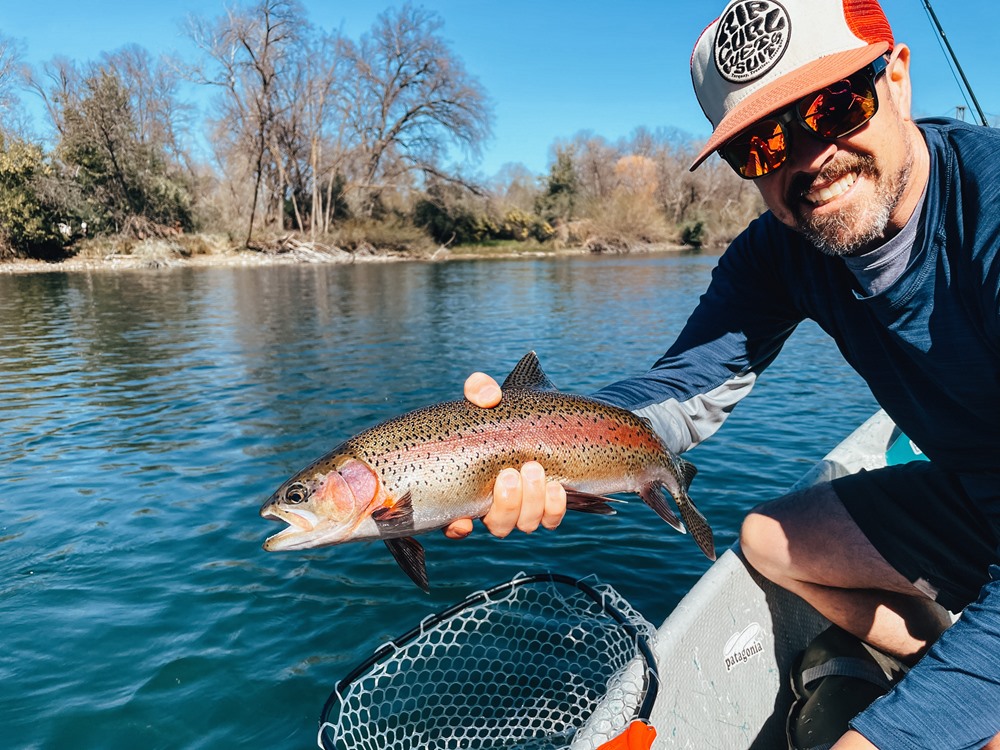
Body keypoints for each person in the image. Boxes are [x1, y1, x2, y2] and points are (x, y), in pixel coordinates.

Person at [444, 0, 1000, 747]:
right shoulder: (781, 250)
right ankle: (955, 669)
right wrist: (536, 436)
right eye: (764, 143)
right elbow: (682, 389)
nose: (808, 157)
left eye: (837, 105)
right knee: (770, 538)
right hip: (976, 497)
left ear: (896, 79)